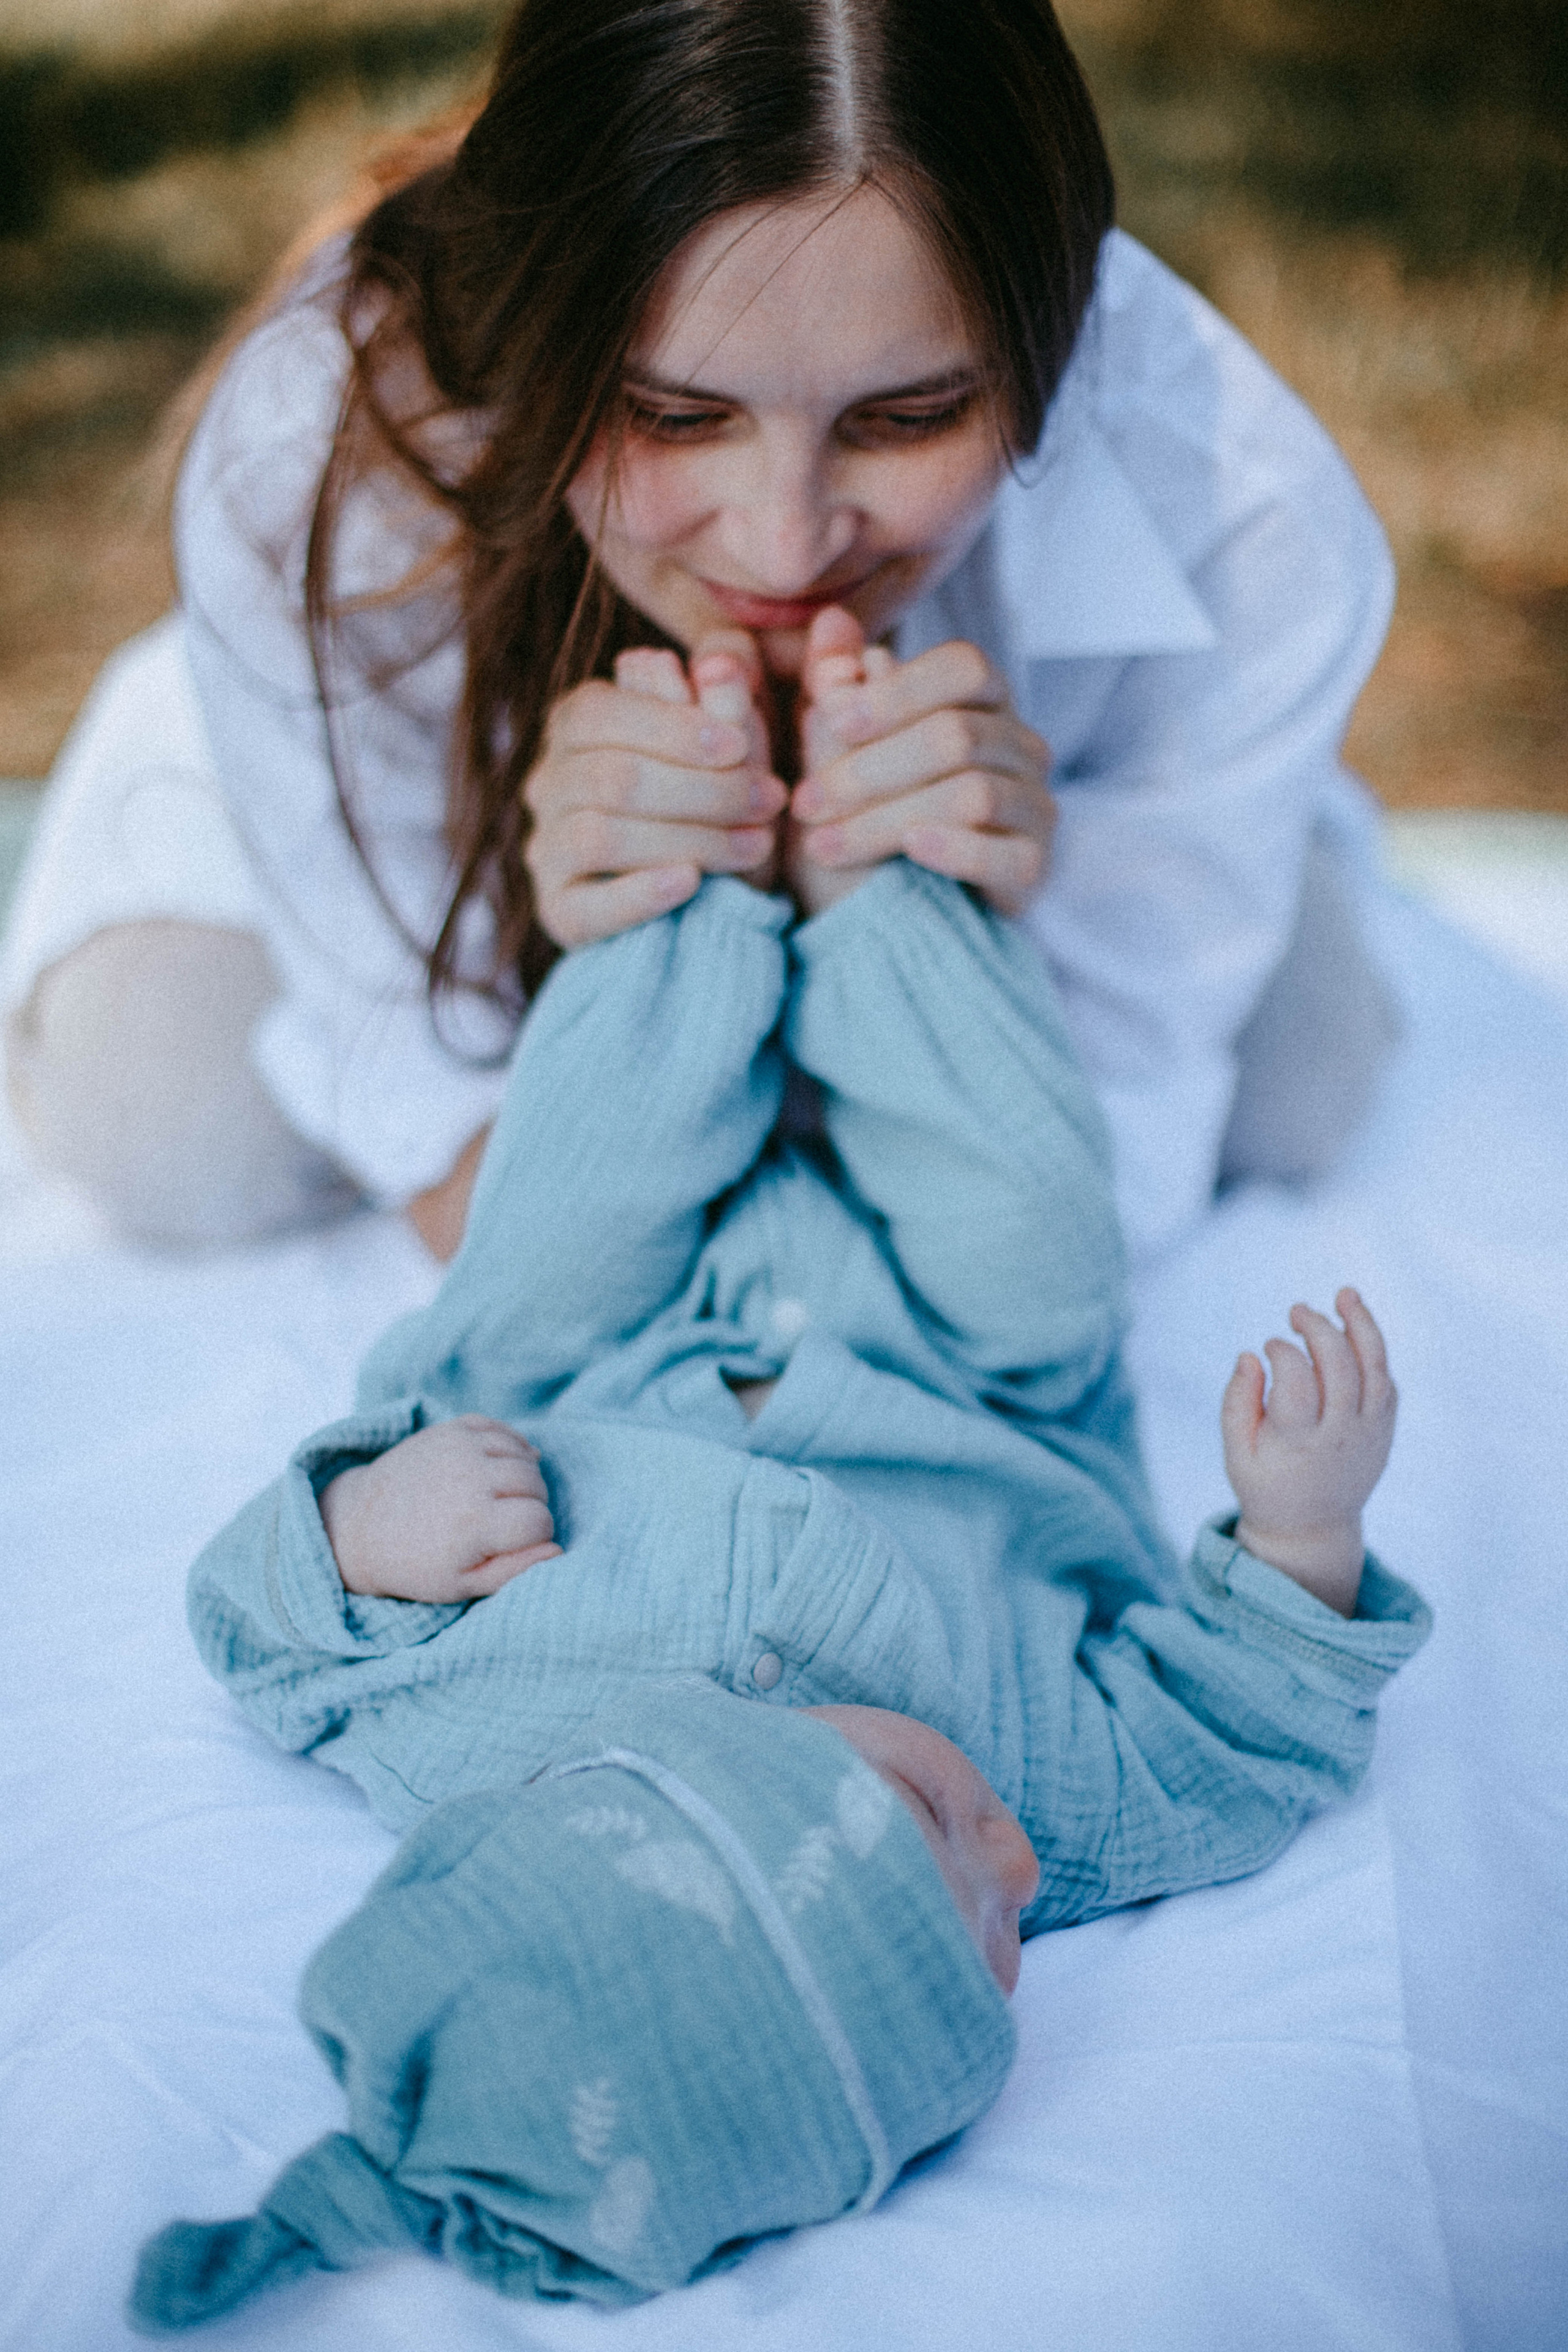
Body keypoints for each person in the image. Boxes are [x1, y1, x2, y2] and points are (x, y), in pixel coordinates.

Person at [157, 842, 1426, 2324]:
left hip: (608, 1340)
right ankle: (878, 883)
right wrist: (1300, 1531)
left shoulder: (463, 1732)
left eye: (930, 1831)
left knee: (543, 1247)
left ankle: (683, 887)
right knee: (1033, 1242)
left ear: (693, 1789)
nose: (1010, 1872)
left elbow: (252, 1630)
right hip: (954, 1360)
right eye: (998, 1956)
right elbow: (1241, 1741)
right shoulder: (1051, 1799)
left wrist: (367, 1525)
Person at [2, 0, 1398, 1262]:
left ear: (1056, 335)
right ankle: (200, 710)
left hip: (1073, 844)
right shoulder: (315, 457)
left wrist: (974, 928)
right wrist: (582, 957)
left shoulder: (1252, 524)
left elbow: (1081, 1205)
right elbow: (462, 1172)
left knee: (1299, 1076)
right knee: (167, 1109)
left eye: (909, 417)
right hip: (398, 728)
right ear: (541, 337)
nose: (785, 550)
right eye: (673, 416)